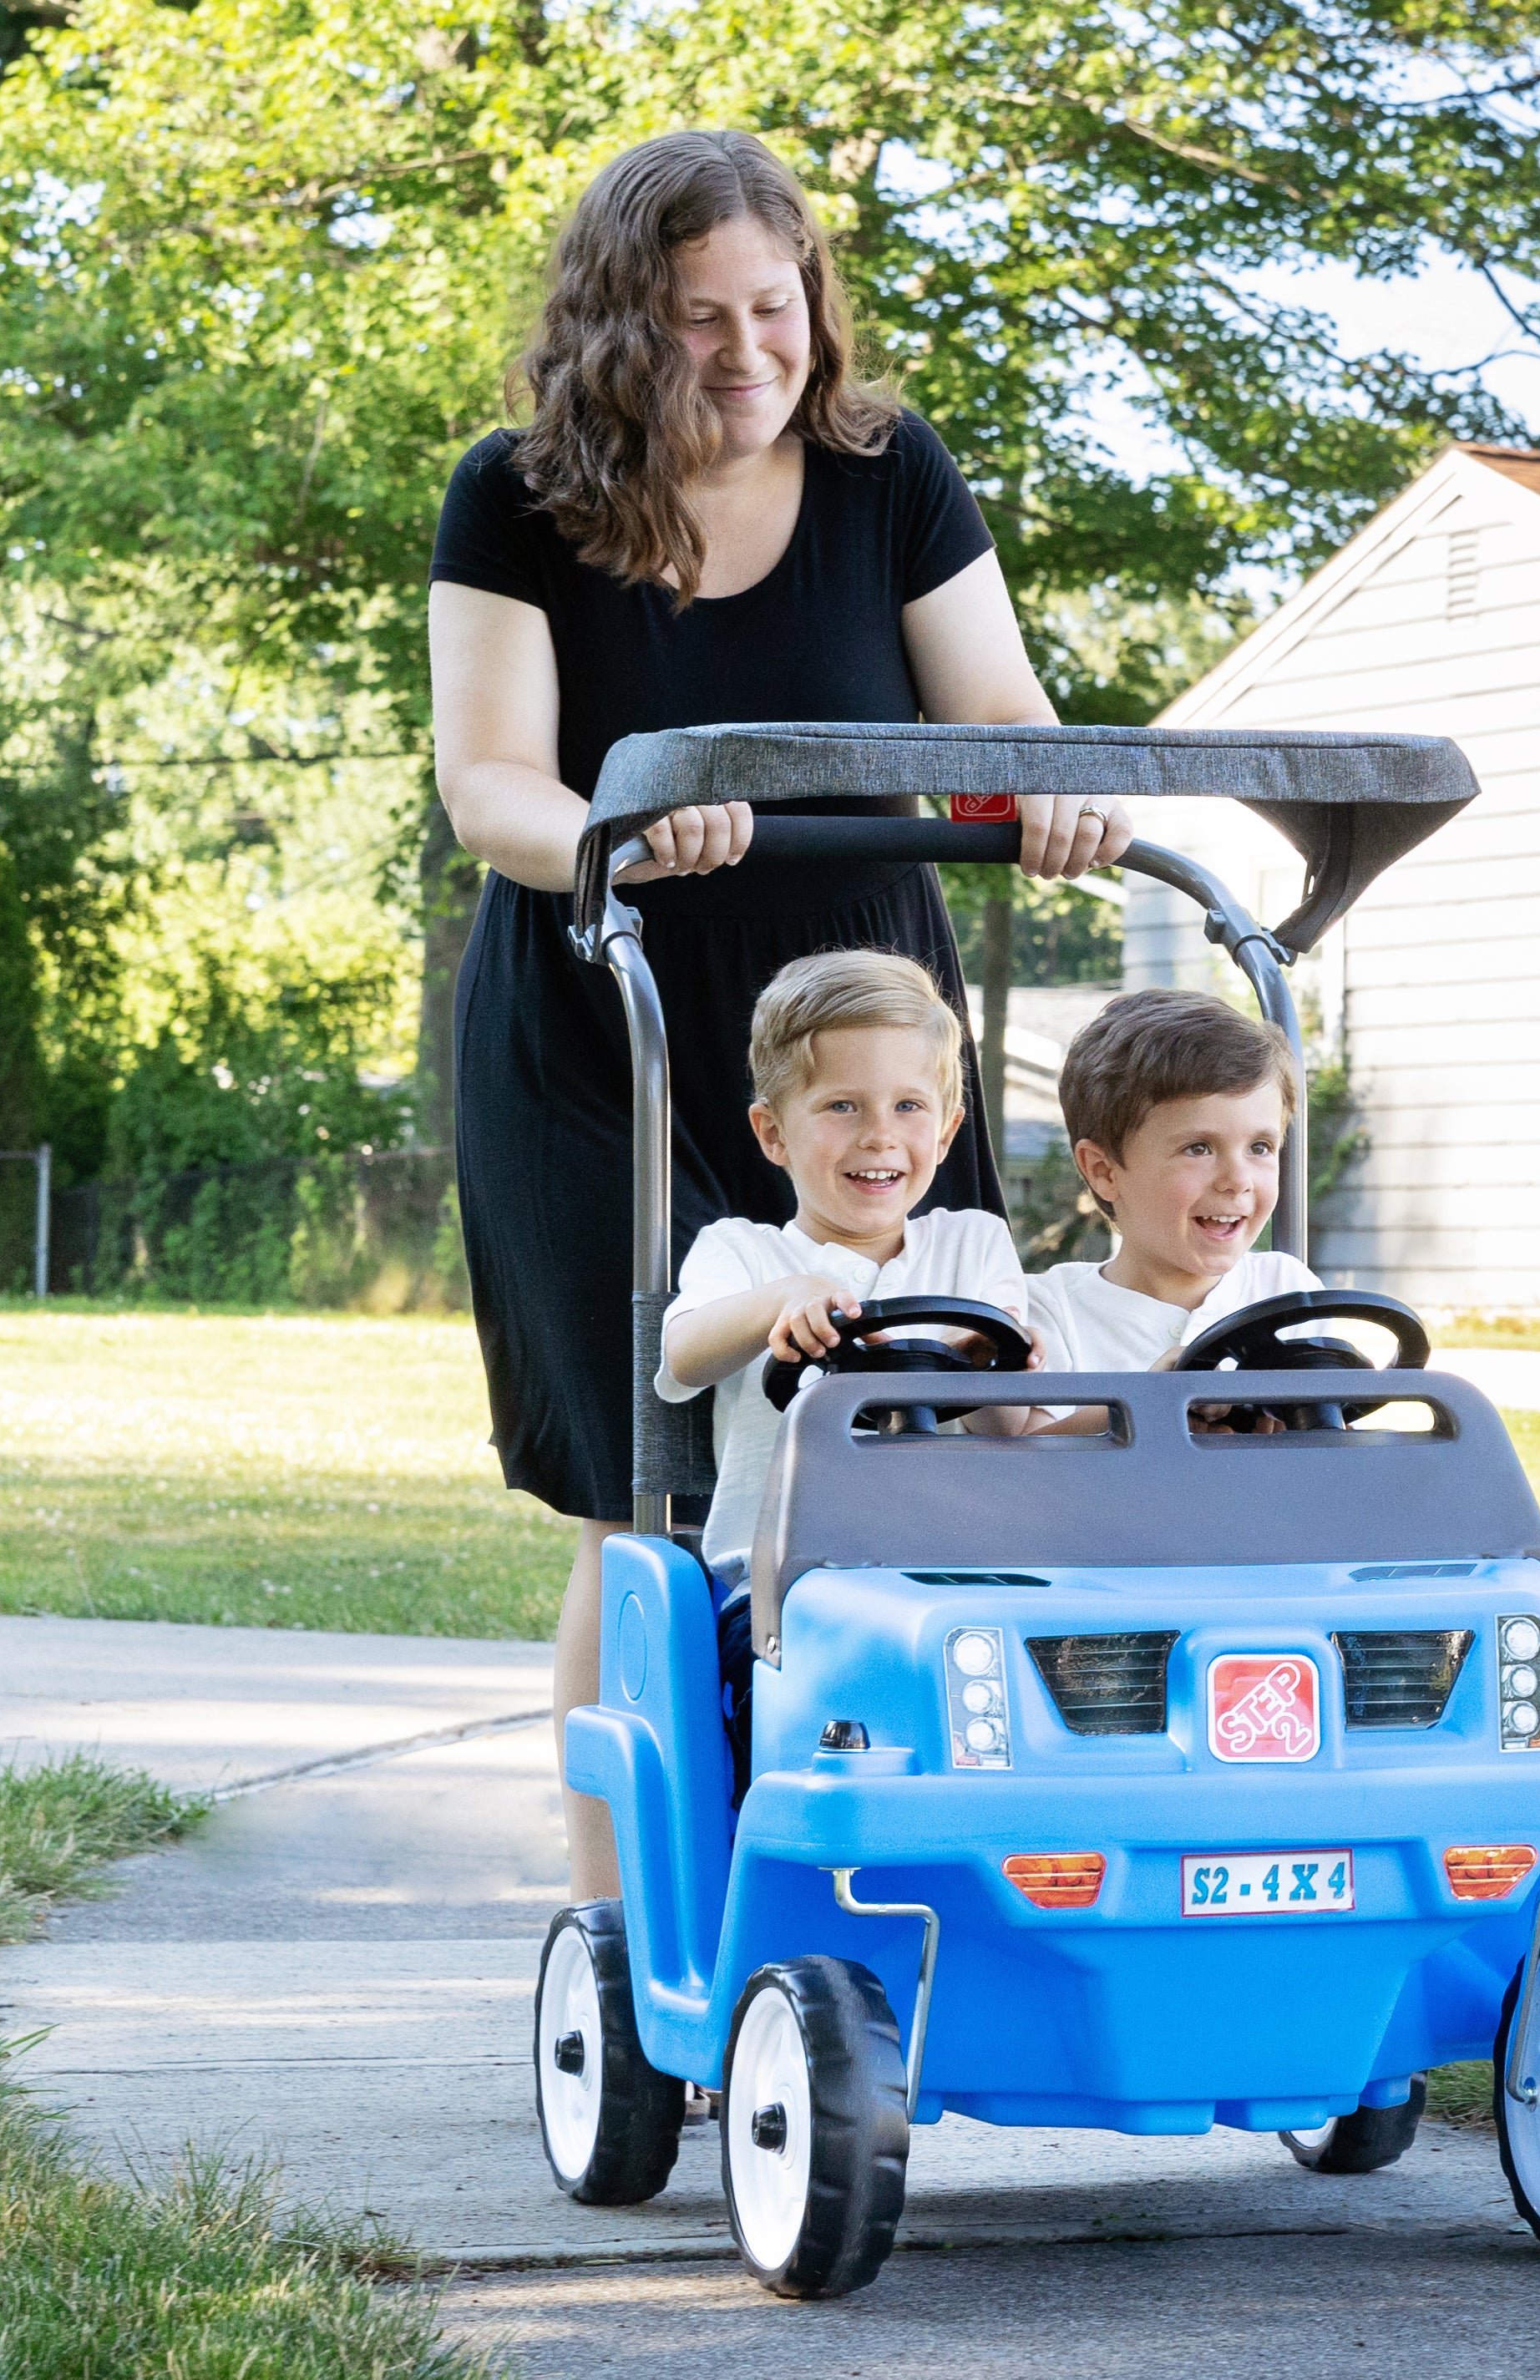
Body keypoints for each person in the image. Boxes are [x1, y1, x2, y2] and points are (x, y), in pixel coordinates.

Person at [425, 128, 1130, 1896]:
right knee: (648, 1491)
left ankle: (877, 1867)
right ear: (612, 326)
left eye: (775, 308)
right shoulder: (513, 497)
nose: (748, 353)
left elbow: (998, 722)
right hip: (611, 1029)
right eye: (693, 321)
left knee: (901, 1454)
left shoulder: (889, 474)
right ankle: (625, 1926)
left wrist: (1041, 794)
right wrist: (619, 830)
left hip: (854, 1040)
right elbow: (488, 784)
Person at [657, 950, 1036, 1585]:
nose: (878, 1136)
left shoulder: (974, 1243)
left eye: (908, 1107)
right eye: (842, 1107)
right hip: (782, 1582)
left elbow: (1007, 1431)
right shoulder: (743, 1253)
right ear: (773, 1134)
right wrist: (781, 1300)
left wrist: (993, 1371)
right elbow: (683, 1359)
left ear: (945, 1134)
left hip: (958, 1571)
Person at [1025, 989, 1318, 1400]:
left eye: (1260, 1147)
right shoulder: (1050, 1313)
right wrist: (1153, 1403)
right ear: (1104, 1171)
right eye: (1198, 1148)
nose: (1237, 1180)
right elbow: (1029, 1455)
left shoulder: (1287, 1292)